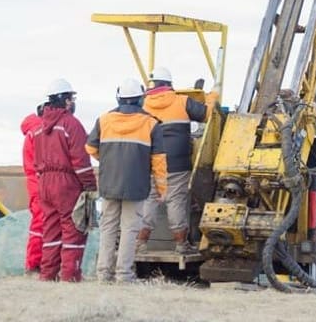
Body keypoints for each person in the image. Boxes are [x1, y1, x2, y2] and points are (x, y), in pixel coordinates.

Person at [86, 78, 167, 283]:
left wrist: (109, 161)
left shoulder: (103, 120)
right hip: (136, 185)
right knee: (130, 229)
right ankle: (124, 274)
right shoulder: (151, 123)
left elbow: (90, 148)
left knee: (108, 228)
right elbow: (158, 161)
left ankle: (103, 274)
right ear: (141, 99)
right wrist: (162, 188)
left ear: (119, 97)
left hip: (109, 183)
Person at [137, 66, 218, 253]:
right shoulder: (182, 101)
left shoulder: (143, 104)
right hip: (178, 164)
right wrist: (212, 98)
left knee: (149, 201)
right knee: (176, 201)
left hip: (151, 164)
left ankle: (140, 243)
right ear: (169, 84)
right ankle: (181, 244)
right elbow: (206, 115)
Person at [33, 78, 97, 282]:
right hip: (66, 183)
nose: (72, 102)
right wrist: (89, 185)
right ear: (65, 100)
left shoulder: (40, 126)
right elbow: (80, 158)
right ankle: (70, 275)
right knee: (73, 229)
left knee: (51, 230)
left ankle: (47, 274)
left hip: (44, 183)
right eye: (71, 98)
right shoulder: (71, 124)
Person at [20, 103, 44, 274]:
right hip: (40, 184)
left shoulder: (33, 132)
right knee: (40, 225)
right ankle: (34, 264)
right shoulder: (38, 133)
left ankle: (35, 263)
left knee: (39, 225)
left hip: (36, 184)